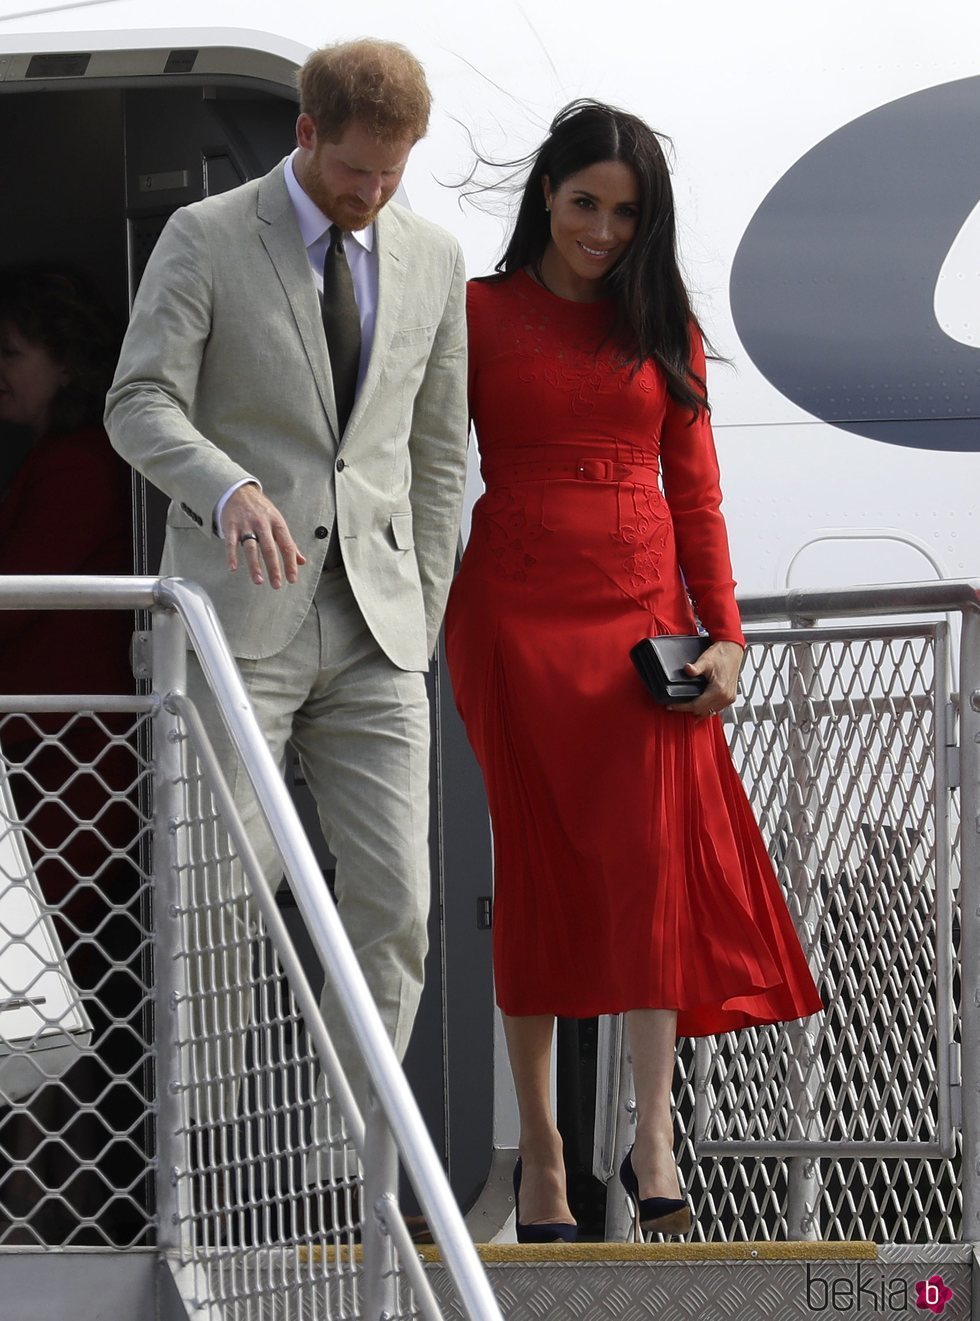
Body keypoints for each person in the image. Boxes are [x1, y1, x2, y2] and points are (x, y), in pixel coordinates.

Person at [444, 100, 822, 1242]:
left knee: (653, 874)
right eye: (582, 204)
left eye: (624, 211)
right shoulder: (472, 313)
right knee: (540, 876)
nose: (601, 230)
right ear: (544, 197)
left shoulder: (664, 323)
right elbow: (411, 459)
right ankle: (543, 1151)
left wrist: (726, 634)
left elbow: (696, 494)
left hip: (642, 630)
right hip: (512, 620)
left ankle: (649, 1135)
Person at [105, 40, 468, 1126]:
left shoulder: (432, 258)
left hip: (376, 631)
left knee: (398, 907)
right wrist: (226, 490)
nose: (372, 194)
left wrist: (424, 610)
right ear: (305, 133)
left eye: (392, 174)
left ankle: (331, 1166)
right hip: (235, 621)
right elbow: (137, 403)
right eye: (357, 171)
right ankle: (216, 1174)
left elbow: (439, 456)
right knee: (216, 902)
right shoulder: (204, 237)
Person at [0, 262, 143, 1244]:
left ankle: (53, 1201)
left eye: (12, 354)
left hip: (67, 770)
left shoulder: (75, 466)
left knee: (54, 992)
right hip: (67, 762)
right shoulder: (73, 459)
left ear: (65, 360)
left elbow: (31, 613)